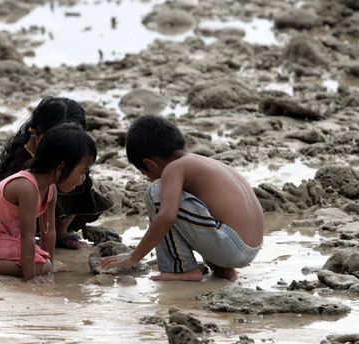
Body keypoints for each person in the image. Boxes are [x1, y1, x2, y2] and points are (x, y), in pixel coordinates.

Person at [100, 115, 264, 282]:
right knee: (184, 201)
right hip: (251, 247)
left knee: (155, 193)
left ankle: (181, 269)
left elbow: (167, 217)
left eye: (146, 174)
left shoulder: (174, 167)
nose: (149, 178)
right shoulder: (206, 162)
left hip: (231, 247)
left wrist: (134, 257)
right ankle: (224, 270)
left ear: (150, 164)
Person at [0, 123, 97, 282]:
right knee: (40, 265)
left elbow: (49, 232)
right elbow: (27, 237)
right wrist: (31, 277)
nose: (83, 179)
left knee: (44, 264)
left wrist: (50, 267)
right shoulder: (27, 187)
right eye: (82, 172)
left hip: (3, 237)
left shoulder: (50, 189)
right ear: (61, 168)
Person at [0, 96, 114, 249]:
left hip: (56, 200)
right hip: (25, 213)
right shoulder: (21, 159)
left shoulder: (72, 153)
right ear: (36, 131)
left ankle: (61, 231)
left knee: (81, 184)